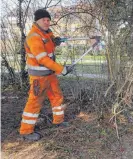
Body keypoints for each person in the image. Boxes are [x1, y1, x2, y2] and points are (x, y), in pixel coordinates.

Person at [19, 9, 73, 141]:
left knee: (57, 97)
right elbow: (42, 59)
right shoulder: (34, 37)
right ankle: (26, 131)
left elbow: (49, 43)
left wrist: (56, 41)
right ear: (37, 20)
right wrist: (61, 69)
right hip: (39, 78)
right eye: (44, 20)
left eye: (48, 20)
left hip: (50, 75)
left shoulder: (47, 34)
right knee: (34, 102)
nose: (47, 22)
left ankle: (58, 121)